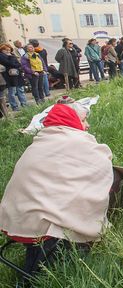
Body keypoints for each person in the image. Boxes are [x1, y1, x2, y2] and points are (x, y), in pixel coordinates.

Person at [0, 101, 113, 279]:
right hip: (43, 227)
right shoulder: (76, 140)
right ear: (71, 120)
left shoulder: (42, 140)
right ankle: (60, 259)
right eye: (84, 120)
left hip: (15, 219)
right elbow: (104, 161)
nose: (87, 125)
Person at [0, 44, 28, 110]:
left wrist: (13, 62)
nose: (8, 51)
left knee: (20, 90)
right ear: (2, 50)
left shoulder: (12, 55)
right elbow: (10, 63)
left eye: (9, 50)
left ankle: (24, 104)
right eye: (6, 50)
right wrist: (12, 59)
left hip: (17, 75)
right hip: (9, 76)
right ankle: (14, 106)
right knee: (12, 92)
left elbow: (18, 64)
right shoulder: (1, 56)